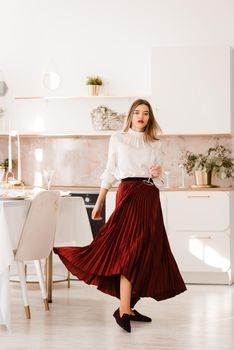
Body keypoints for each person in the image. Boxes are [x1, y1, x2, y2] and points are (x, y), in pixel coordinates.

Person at [54, 99, 187, 333]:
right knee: (129, 251)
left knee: (145, 251)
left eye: (146, 113)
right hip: (127, 194)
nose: (141, 116)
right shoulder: (118, 139)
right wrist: (100, 201)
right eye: (137, 112)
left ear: (150, 117)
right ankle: (124, 309)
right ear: (130, 115)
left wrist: (158, 174)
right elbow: (109, 171)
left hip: (149, 196)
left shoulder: (155, 143)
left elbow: (161, 180)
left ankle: (128, 308)